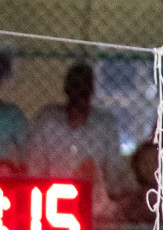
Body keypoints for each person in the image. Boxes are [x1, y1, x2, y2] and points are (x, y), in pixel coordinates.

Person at [27, 64, 128, 197]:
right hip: (51, 198)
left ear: (91, 91)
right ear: (67, 90)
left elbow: (113, 174)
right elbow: (34, 169)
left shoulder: (104, 125)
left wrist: (114, 197)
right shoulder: (47, 121)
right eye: (75, 88)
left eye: (83, 91)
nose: (78, 95)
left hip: (94, 202)